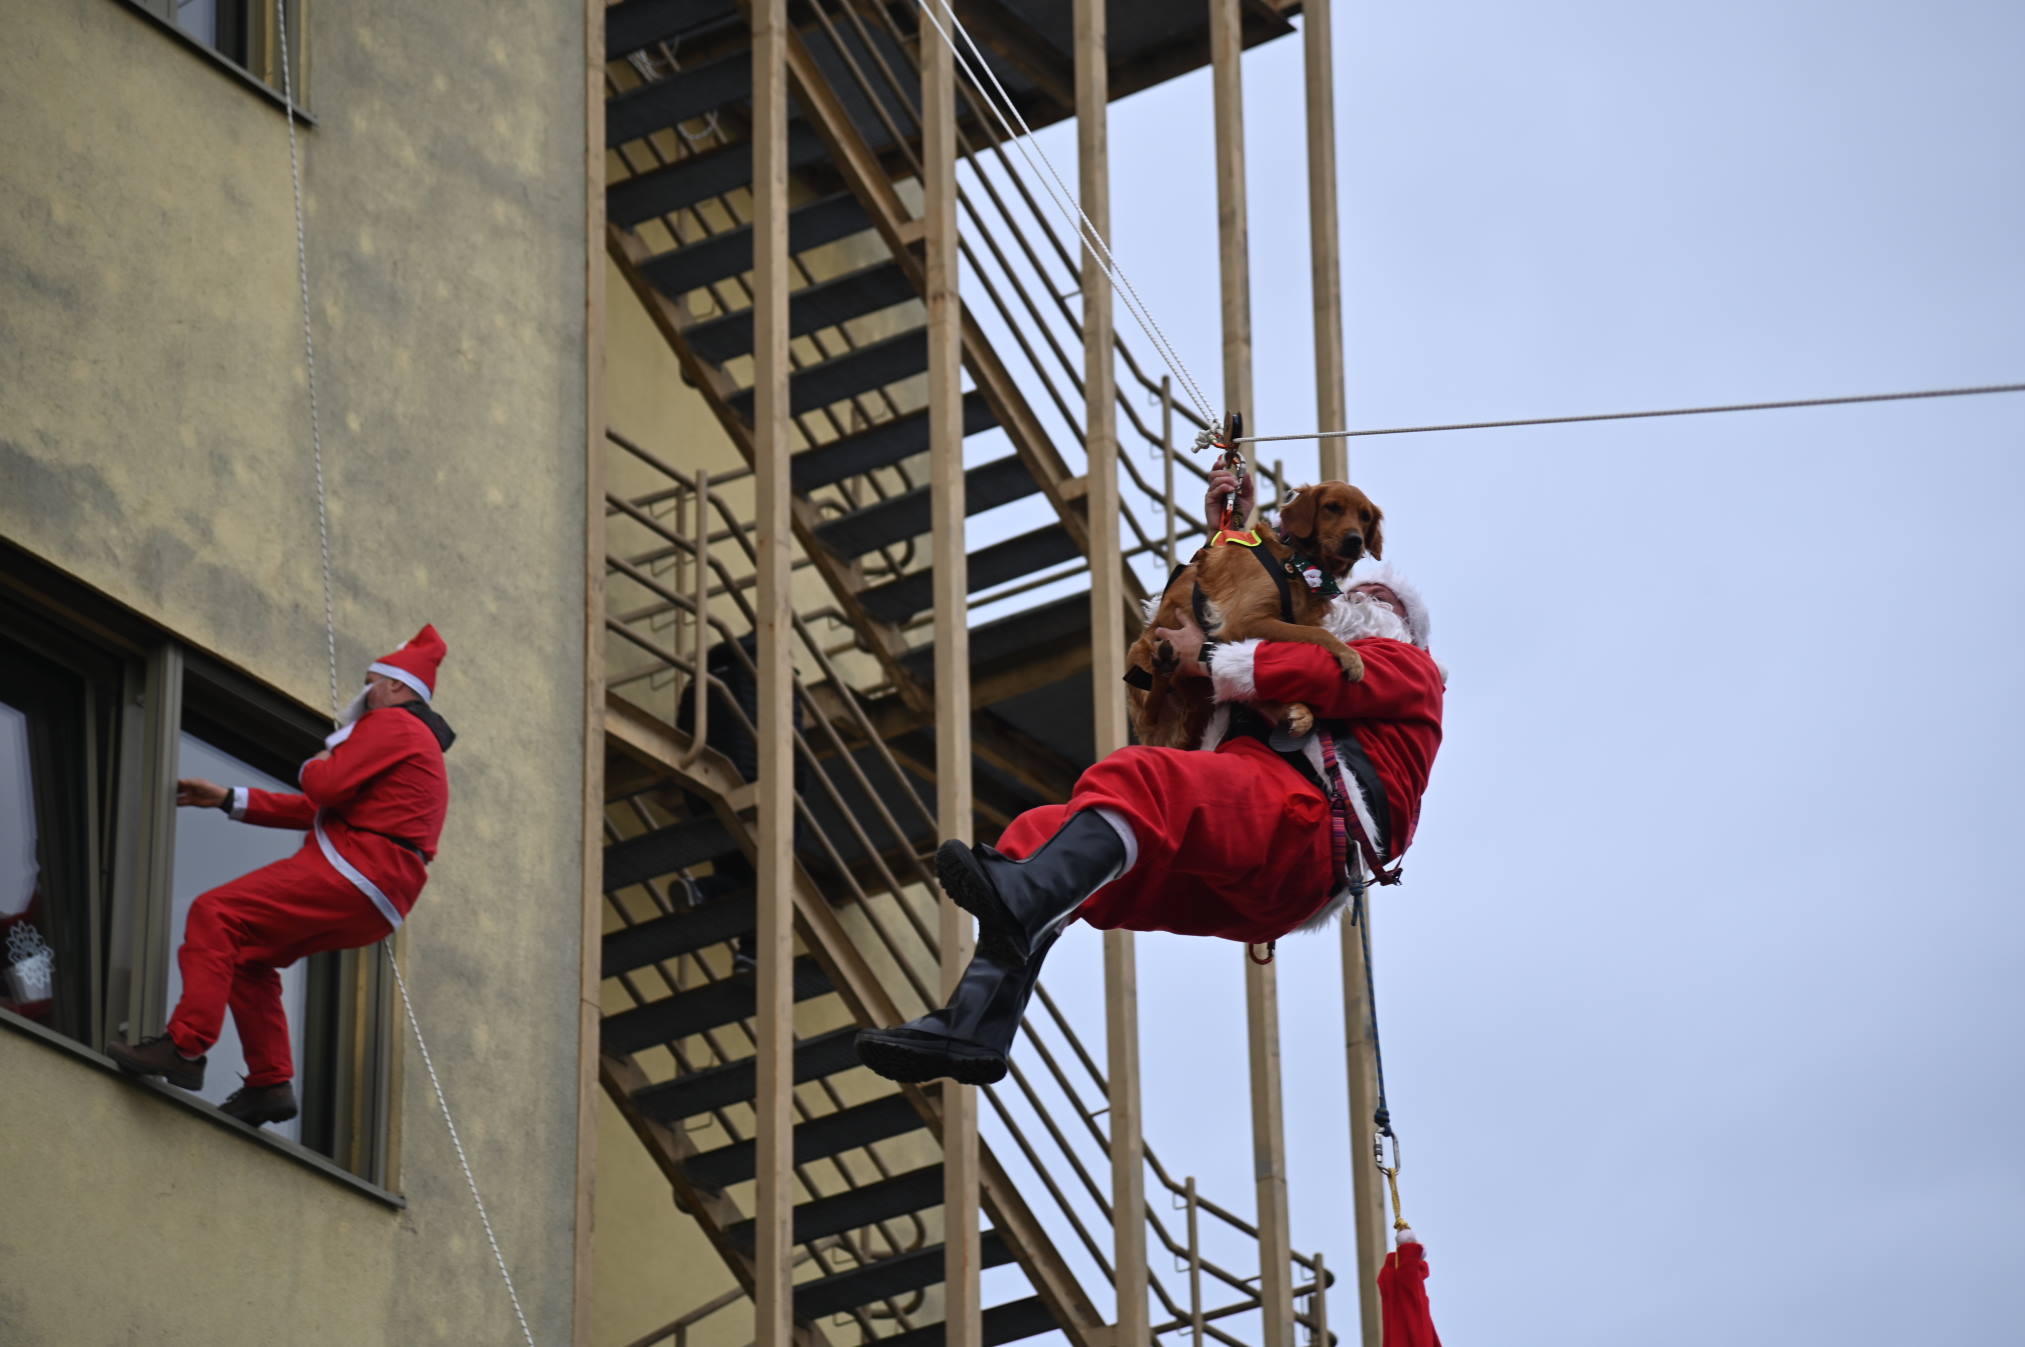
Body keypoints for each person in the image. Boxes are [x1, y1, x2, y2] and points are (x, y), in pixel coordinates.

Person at [855, 472, 1444, 1086]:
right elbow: (1213, 653)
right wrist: (1232, 540)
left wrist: (1213, 656)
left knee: (1144, 779)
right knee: (1041, 833)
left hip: (1308, 826)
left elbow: (1312, 670)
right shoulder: (1293, 657)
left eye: (1372, 602)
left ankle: (1023, 901)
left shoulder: (1406, 667)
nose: (1351, 605)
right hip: (1254, 873)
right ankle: (974, 1025)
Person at [108, 625, 455, 1126]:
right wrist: (231, 799)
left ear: (397, 688)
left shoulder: (393, 725)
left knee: (215, 913)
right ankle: (269, 1083)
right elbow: (321, 809)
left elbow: (324, 785)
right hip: (382, 897)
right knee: (248, 962)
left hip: (356, 868)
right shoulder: (415, 746)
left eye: (370, 680)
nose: (365, 691)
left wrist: (319, 760)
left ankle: (183, 1048)